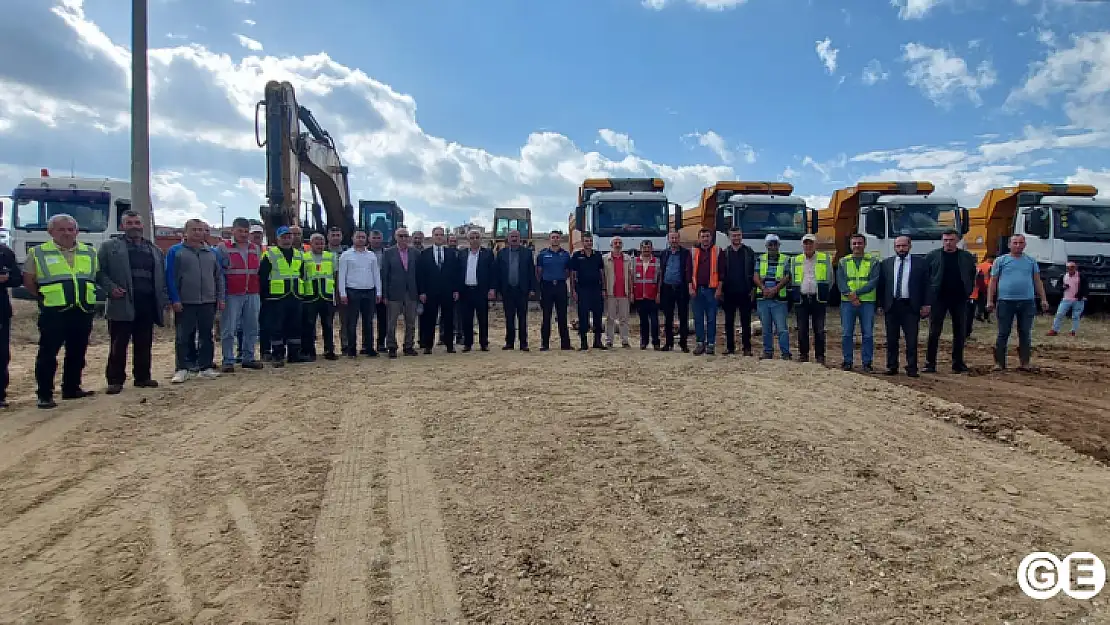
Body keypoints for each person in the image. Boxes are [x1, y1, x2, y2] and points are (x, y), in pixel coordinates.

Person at [23, 214, 99, 408]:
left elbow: (94, 277)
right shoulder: (38, 252)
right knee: (48, 353)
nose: (66, 233)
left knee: (77, 352)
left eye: (70, 229)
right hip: (53, 311)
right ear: (51, 232)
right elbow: (29, 281)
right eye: (61, 229)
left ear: (76, 231)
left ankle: (72, 388)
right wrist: (45, 297)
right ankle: (45, 394)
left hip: (82, 309)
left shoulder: (89, 252)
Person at [97, 210, 170, 394]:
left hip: (147, 302)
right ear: (122, 226)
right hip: (122, 302)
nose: (134, 227)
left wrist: (163, 299)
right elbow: (99, 273)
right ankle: (115, 380)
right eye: (129, 223)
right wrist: (110, 287)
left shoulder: (153, 249)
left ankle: (142, 377)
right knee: (118, 344)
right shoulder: (110, 247)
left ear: (143, 226)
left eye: (137, 223)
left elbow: (160, 276)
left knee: (144, 342)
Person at [166, 219, 224, 384]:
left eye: (201, 229)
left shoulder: (212, 253)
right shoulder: (175, 251)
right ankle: (182, 368)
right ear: (186, 232)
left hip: (208, 300)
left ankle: (205, 367)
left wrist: (220, 297)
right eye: (194, 229)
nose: (198, 233)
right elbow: (170, 277)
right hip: (185, 301)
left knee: (207, 336)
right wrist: (175, 299)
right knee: (184, 336)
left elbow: (219, 277)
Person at [987, 234, 1049, 371]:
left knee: (1025, 332)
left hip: (1027, 301)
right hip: (1005, 301)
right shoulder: (1000, 261)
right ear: (1009, 245)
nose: (1018, 245)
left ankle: (1025, 362)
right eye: (1015, 243)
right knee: (1003, 332)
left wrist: (1043, 299)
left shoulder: (1031, 261)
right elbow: (993, 281)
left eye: (1021, 243)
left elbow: (1037, 281)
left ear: (1025, 245)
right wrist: (990, 300)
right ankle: (999, 363)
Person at [923, 229, 977, 374]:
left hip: (959, 298)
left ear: (957, 240)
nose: (948, 243)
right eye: (945, 240)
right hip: (938, 298)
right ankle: (930, 363)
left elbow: (972, 274)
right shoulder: (933, 256)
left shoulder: (966, 257)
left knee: (960, 331)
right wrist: (928, 297)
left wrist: (968, 290)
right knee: (934, 331)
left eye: (951, 240)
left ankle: (958, 363)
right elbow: (926, 276)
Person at [216, 217, 263, 373]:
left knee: (252, 327)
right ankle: (228, 360)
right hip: (232, 293)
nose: (243, 234)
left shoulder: (255, 248)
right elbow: (219, 273)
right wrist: (221, 296)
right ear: (233, 231)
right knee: (229, 328)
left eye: (246, 231)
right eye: (240, 231)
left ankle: (248, 358)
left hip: (252, 292)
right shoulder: (223, 247)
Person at [878, 235, 928, 377]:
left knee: (911, 340)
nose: (901, 249)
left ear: (909, 246)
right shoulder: (887, 263)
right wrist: (880, 304)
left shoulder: (920, 263)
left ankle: (912, 368)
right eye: (898, 246)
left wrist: (926, 304)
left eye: (904, 246)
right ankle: (892, 366)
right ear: (894, 247)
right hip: (892, 306)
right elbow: (882, 286)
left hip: (910, 307)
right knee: (891, 339)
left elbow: (926, 285)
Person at [259, 225, 306, 367]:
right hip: (276, 297)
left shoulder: (299, 254)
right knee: (276, 327)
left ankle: (294, 354)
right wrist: (265, 296)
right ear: (277, 239)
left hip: (295, 295)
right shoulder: (269, 254)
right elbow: (263, 276)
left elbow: (302, 274)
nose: (287, 239)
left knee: (295, 326)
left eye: (289, 236)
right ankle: (278, 355)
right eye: (283, 237)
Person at [837, 233, 879, 372]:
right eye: (854, 243)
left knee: (867, 334)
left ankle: (867, 363)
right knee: (847, 333)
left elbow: (874, 281)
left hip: (867, 302)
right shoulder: (843, 261)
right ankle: (847, 361)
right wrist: (851, 296)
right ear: (850, 245)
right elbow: (841, 281)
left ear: (865, 244)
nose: (857, 246)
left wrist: (856, 294)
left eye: (859, 243)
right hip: (847, 303)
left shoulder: (873, 261)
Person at [337, 230, 381, 357]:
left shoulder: (371, 255)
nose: (361, 239)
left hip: (369, 291)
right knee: (352, 322)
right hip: (352, 291)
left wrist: (378, 292)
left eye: (363, 237)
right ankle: (351, 349)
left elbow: (376, 274)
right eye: (358, 237)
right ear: (352, 238)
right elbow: (342, 275)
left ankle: (369, 348)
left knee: (368, 322)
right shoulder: (346, 255)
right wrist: (342, 293)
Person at [417, 226, 459, 354]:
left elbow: (456, 274)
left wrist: (456, 290)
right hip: (431, 292)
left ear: (444, 237)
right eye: (436, 234)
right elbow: (421, 275)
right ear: (432, 236)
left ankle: (449, 345)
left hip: (447, 291)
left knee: (448, 318)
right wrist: (422, 292)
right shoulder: (425, 254)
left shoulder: (451, 253)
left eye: (441, 235)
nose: (439, 237)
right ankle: (428, 345)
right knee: (430, 318)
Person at [791, 233, 832, 364]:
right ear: (802, 245)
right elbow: (792, 278)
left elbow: (831, 279)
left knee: (819, 329)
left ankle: (820, 356)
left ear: (816, 245)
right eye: (806, 243)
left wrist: (824, 292)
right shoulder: (795, 260)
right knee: (802, 329)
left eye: (811, 243)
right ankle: (804, 355)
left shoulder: (825, 258)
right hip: (801, 299)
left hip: (818, 298)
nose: (808, 246)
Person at [381, 227, 420, 358]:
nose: (403, 238)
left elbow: (419, 274)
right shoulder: (388, 253)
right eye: (401, 236)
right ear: (395, 237)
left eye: (405, 236)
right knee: (391, 322)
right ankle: (391, 346)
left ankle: (408, 346)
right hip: (394, 293)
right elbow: (384, 275)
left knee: (411, 322)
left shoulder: (415, 253)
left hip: (411, 292)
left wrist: (420, 292)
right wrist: (385, 295)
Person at [495, 229, 536, 351]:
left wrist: (532, 288)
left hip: (522, 290)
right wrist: (497, 290)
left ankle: (523, 343)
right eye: (512, 236)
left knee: (522, 317)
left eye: (516, 236)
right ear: (508, 238)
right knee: (509, 317)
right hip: (507, 290)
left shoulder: (527, 253)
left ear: (520, 238)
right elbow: (497, 273)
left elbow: (531, 272)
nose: (514, 239)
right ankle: (509, 343)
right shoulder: (501, 253)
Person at [753, 234, 792, 360]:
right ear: (766, 245)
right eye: (770, 244)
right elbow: (755, 276)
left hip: (779, 299)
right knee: (766, 328)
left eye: (775, 244)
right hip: (763, 298)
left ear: (779, 245)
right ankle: (768, 352)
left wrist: (775, 289)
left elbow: (787, 276)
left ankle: (785, 353)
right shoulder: (760, 258)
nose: (773, 246)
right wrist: (764, 289)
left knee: (781, 328)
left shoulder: (786, 259)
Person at [300, 233, 338, 361]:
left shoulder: (331, 256)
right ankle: (309, 351)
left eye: (321, 243)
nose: (319, 245)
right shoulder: (304, 258)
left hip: (326, 296)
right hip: (310, 296)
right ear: (311, 244)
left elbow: (335, 275)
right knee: (309, 325)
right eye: (316, 243)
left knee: (328, 324)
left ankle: (329, 350)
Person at [457, 229, 497, 351]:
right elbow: (458, 273)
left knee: (483, 318)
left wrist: (492, 289)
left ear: (480, 239)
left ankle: (484, 343)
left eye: (477, 237)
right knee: (466, 319)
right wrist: (457, 290)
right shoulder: (462, 254)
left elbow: (493, 273)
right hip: (466, 291)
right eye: (472, 238)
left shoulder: (488, 253)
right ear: (468, 240)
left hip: (481, 291)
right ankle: (468, 343)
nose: (474, 240)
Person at [720, 227, 756, 356]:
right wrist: (722, 290)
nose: (736, 238)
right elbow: (721, 273)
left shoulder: (749, 252)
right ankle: (730, 347)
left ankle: (747, 348)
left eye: (738, 235)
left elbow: (753, 272)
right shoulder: (725, 253)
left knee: (745, 322)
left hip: (745, 292)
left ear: (742, 236)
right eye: (734, 236)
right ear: (729, 237)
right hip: (729, 292)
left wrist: (753, 289)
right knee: (729, 322)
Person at [535, 231, 572, 351]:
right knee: (546, 316)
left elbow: (567, 272)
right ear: (549, 239)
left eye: (557, 237)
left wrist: (559, 279)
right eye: (553, 237)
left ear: (560, 239)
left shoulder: (566, 255)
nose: (555, 239)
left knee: (562, 316)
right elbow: (539, 272)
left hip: (560, 286)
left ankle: (565, 344)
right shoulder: (542, 255)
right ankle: (544, 344)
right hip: (547, 287)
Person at [570, 233, 607, 350]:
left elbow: (602, 273)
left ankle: (597, 341)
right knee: (583, 316)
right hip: (582, 290)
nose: (589, 243)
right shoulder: (576, 256)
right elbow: (572, 274)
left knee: (598, 316)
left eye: (590, 241)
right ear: (582, 242)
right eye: (586, 241)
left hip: (596, 289)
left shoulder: (597, 255)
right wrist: (573, 291)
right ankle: (583, 343)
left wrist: (604, 288)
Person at [689, 228, 722, 356]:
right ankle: (700, 343)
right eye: (703, 236)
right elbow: (688, 271)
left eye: (707, 236)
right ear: (699, 238)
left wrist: (719, 289)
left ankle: (711, 344)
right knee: (698, 318)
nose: (705, 239)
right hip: (697, 290)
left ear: (711, 238)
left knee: (711, 318)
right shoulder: (693, 252)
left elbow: (722, 272)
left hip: (712, 290)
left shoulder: (718, 251)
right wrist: (690, 287)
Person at [657, 231, 692, 352]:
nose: (674, 240)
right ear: (668, 240)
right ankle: (668, 343)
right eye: (672, 238)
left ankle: (683, 343)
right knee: (668, 318)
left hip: (681, 288)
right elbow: (661, 271)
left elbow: (689, 271)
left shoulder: (686, 253)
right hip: (667, 288)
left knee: (683, 317)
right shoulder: (664, 254)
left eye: (676, 238)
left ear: (679, 239)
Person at [0, 226, 20, 408]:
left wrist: (7, 279)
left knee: (1, 354)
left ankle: (0, 394)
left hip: (1, 310)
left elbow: (17, 279)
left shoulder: (5, 252)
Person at [602, 237, 632, 349]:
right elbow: (602, 276)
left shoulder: (628, 259)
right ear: (611, 245)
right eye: (615, 243)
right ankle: (609, 340)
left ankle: (625, 340)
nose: (617, 245)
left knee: (624, 318)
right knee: (610, 318)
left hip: (624, 292)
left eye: (619, 243)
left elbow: (630, 275)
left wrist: (631, 291)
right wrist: (604, 289)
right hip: (611, 293)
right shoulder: (605, 259)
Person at [632, 240, 661, 350]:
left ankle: (656, 342)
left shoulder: (656, 261)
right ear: (640, 249)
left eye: (648, 247)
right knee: (643, 321)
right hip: (639, 295)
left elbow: (659, 279)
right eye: (644, 247)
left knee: (654, 321)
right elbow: (631, 278)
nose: (646, 249)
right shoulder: (634, 261)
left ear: (651, 249)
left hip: (652, 295)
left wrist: (658, 293)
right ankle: (644, 342)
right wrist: (631, 293)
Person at [1048, 261, 1088, 337]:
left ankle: (1073, 331)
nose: (1070, 269)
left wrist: (1084, 295)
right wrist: (1063, 287)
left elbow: (1085, 287)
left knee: (1076, 316)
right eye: (1068, 267)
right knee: (1059, 314)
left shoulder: (1081, 276)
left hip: (1078, 299)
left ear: (1075, 268)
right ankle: (1054, 330)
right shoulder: (1063, 276)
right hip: (1066, 299)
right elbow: (1057, 286)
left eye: (1072, 267)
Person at [327, 226, 349, 355]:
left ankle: (345, 345)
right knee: (327, 321)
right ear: (328, 236)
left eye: (338, 235)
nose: (335, 237)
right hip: (326, 290)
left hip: (343, 289)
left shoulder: (348, 251)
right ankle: (329, 347)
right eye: (333, 235)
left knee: (344, 320)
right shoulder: (322, 251)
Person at [369, 230, 389, 351]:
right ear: (369, 239)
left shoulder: (387, 253)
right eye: (374, 238)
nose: (376, 240)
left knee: (383, 319)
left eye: (378, 238)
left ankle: (381, 343)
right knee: (368, 319)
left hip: (383, 290)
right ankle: (367, 344)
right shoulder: (364, 253)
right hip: (368, 289)